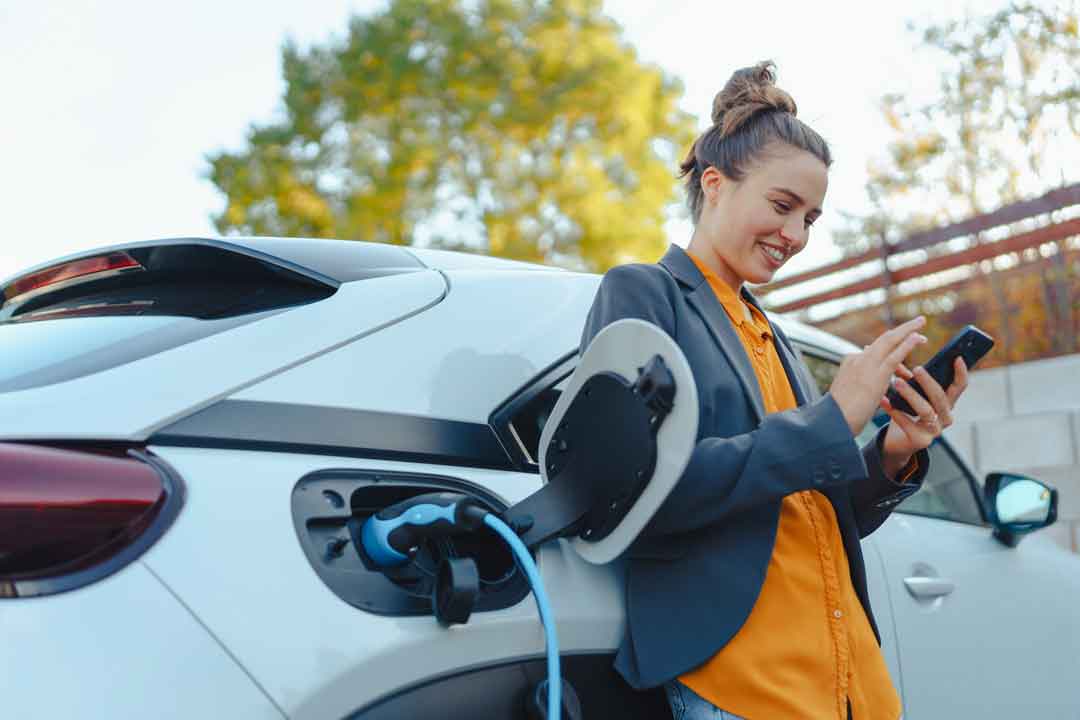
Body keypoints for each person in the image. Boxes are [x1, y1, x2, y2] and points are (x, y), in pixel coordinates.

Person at [579, 61, 969, 720]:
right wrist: (833, 419)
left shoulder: (771, 332)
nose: (796, 236)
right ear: (715, 184)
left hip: (847, 680)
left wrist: (893, 454)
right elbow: (632, 489)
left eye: (811, 218)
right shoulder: (644, 293)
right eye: (782, 206)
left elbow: (812, 512)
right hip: (744, 682)